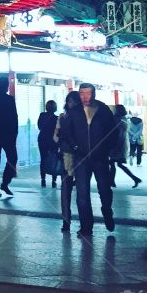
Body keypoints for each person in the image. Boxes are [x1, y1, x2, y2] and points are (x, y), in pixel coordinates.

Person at [66, 82, 117, 236]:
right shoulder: (74, 112)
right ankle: (86, 227)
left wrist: (107, 149)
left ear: (94, 93)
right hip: (81, 157)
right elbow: (67, 131)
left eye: (88, 93)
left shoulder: (103, 110)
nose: (85, 96)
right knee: (82, 194)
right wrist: (75, 146)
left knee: (104, 189)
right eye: (82, 93)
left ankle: (106, 210)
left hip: (100, 157)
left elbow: (112, 131)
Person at [54, 92, 81, 232]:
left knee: (66, 189)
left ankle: (66, 221)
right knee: (82, 190)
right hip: (81, 155)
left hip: (67, 155)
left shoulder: (63, 118)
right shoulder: (85, 118)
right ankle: (83, 224)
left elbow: (55, 138)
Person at [110, 104, 141, 188]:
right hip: (122, 144)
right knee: (117, 164)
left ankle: (112, 181)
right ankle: (112, 181)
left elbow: (117, 134)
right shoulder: (124, 120)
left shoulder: (117, 120)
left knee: (113, 163)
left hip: (116, 145)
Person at [37, 100, 59, 188]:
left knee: (43, 159)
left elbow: (39, 126)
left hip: (42, 140)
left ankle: (43, 179)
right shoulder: (56, 118)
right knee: (54, 159)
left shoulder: (42, 115)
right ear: (55, 108)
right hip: (52, 141)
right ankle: (54, 180)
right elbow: (57, 130)